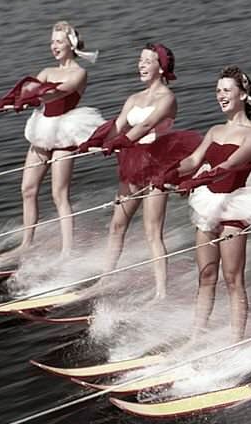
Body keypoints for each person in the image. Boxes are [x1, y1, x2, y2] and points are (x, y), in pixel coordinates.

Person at [165, 65, 251, 338]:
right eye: (218, 91)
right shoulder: (215, 130)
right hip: (208, 205)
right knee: (205, 276)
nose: (220, 95)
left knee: (232, 279)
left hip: (235, 207)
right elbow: (194, 160)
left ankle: (236, 340)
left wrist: (197, 180)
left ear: (243, 94)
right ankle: (196, 337)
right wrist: (172, 171)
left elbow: (229, 165)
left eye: (226, 90)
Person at [82, 43, 200, 300]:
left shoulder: (167, 98)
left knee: (151, 231)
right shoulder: (133, 99)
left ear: (160, 67)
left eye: (147, 61)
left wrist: (122, 141)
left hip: (158, 164)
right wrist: (97, 142)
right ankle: (105, 279)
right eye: (140, 61)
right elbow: (117, 127)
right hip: (133, 164)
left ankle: (161, 292)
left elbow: (147, 124)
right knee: (117, 225)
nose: (141, 65)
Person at [0, 21, 103, 256]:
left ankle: (67, 251)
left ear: (70, 45)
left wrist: (34, 95)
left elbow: (57, 92)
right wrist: (10, 102)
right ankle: (26, 244)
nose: (54, 46)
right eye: (52, 42)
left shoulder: (79, 73)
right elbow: (27, 88)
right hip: (43, 130)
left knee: (58, 194)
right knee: (27, 189)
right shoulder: (46, 71)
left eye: (59, 41)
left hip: (65, 132)